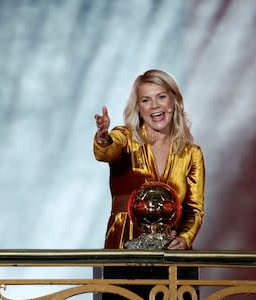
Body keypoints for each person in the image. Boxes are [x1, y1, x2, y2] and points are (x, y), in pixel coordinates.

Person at [93, 69, 205, 299]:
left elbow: (194, 209)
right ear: (139, 108)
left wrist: (185, 238)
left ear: (174, 101)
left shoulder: (191, 154)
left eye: (161, 96)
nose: (155, 106)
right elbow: (107, 151)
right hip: (124, 250)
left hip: (173, 258)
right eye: (146, 100)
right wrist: (103, 137)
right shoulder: (125, 138)